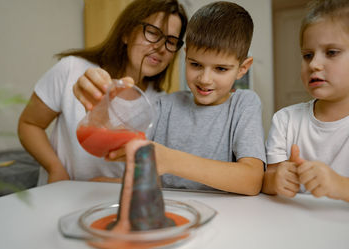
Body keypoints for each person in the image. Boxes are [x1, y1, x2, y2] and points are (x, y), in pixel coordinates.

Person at [18, 0, 188, 185]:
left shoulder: (162, 105)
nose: (161, 47)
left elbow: (153, 175)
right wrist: (55, 168)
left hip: (115, 206)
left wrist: (114, 184)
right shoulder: (73, 70)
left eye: (171, 41)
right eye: (153, 33)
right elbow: (29, 124)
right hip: (57, 195)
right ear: (126, 33)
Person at [109, 1, 266, 195]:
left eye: (221, 69)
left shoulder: (244, 104)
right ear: (186, 56)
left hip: (227, 217)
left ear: (242, 68)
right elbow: (134, 160)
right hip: (172, 210)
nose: (205, 79)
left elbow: (252, 181)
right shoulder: (163, 106)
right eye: (196, 65)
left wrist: (170, 161)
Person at [262, 0, 349, 202]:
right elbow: (266, 180)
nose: (314, 64)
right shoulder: (285, 120)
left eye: (331, 52)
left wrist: (338, 184)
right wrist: (276, 179)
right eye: (307, 55)